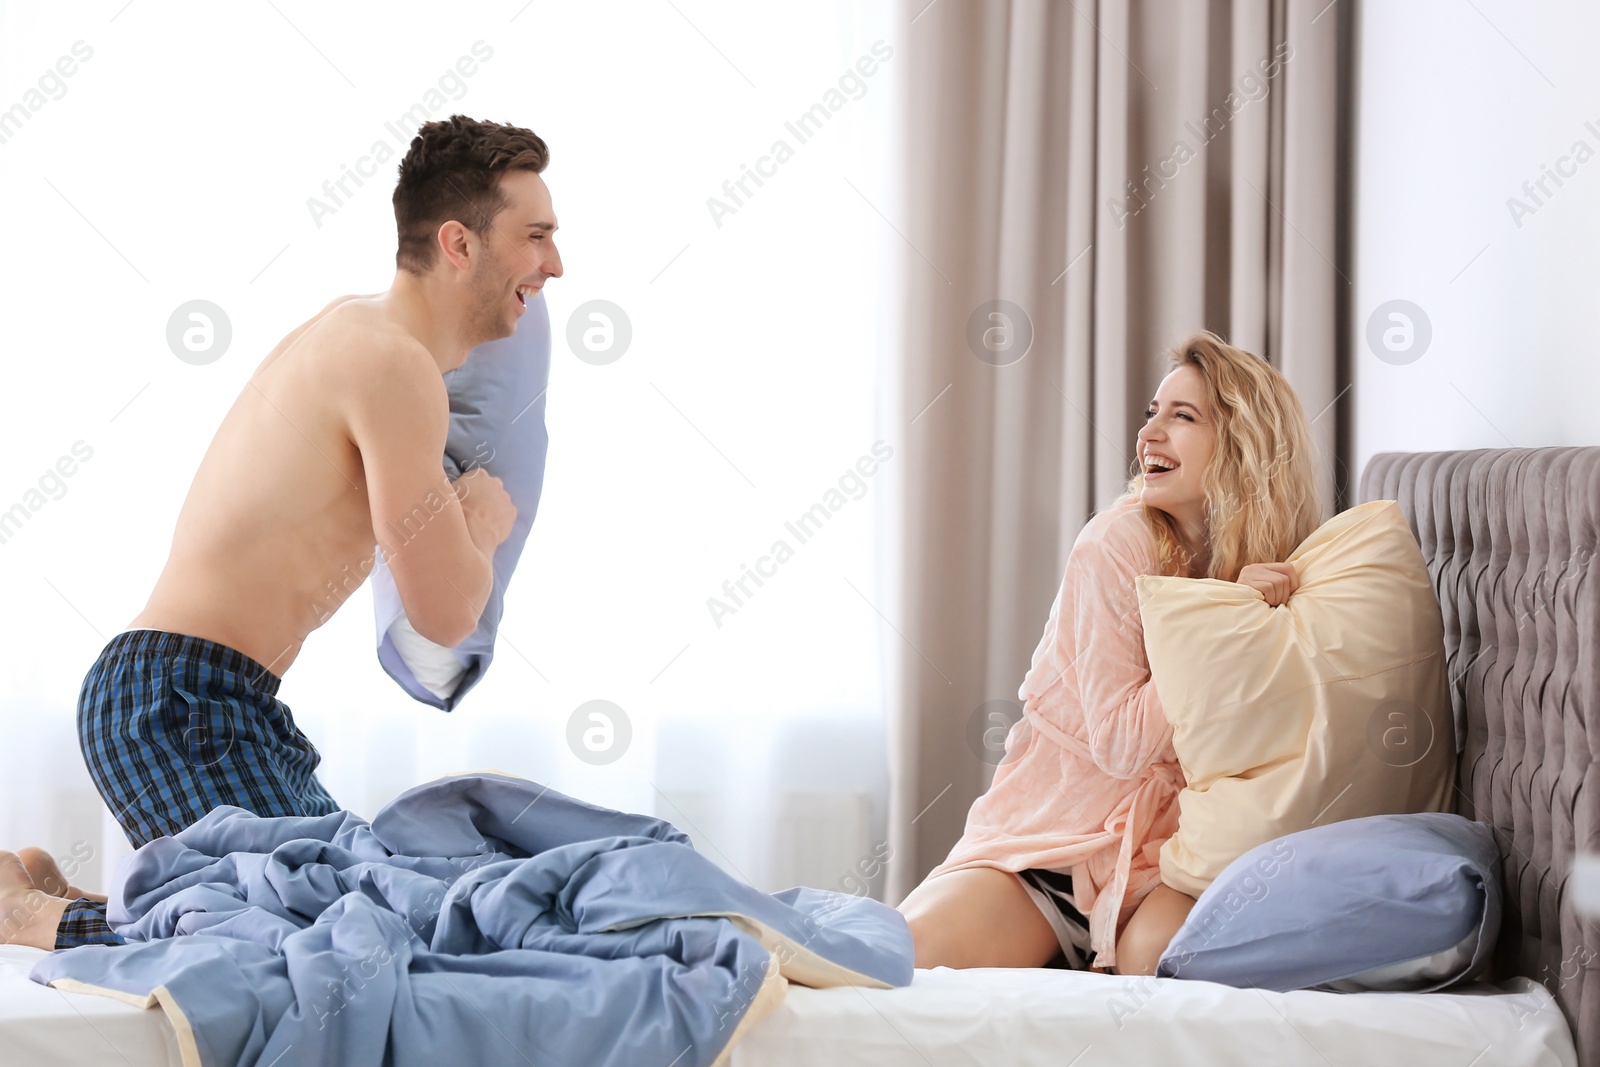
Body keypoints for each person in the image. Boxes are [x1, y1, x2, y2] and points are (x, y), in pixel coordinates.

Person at [1, 115, 560, 953]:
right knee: (328, 931)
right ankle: (32, 920)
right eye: (536, 237)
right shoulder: (394, 365)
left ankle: (69, 899)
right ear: (460, 243)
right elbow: (444, 614)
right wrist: (478, 526)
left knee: (371, 893)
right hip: (174, 699)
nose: (554, 265)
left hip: (221, 699)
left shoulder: (364, 334)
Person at [897, 330, 1324, 976]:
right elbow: (1122, 743)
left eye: (1182, 416)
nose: (1149, 433)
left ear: (1242, 442)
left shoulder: (1284, 566)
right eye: (1152, 412)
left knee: (1152, 966)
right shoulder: (1118, 544)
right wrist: (1220, 620)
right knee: (898, 954)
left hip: (1167, 862)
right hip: (1052, 852)